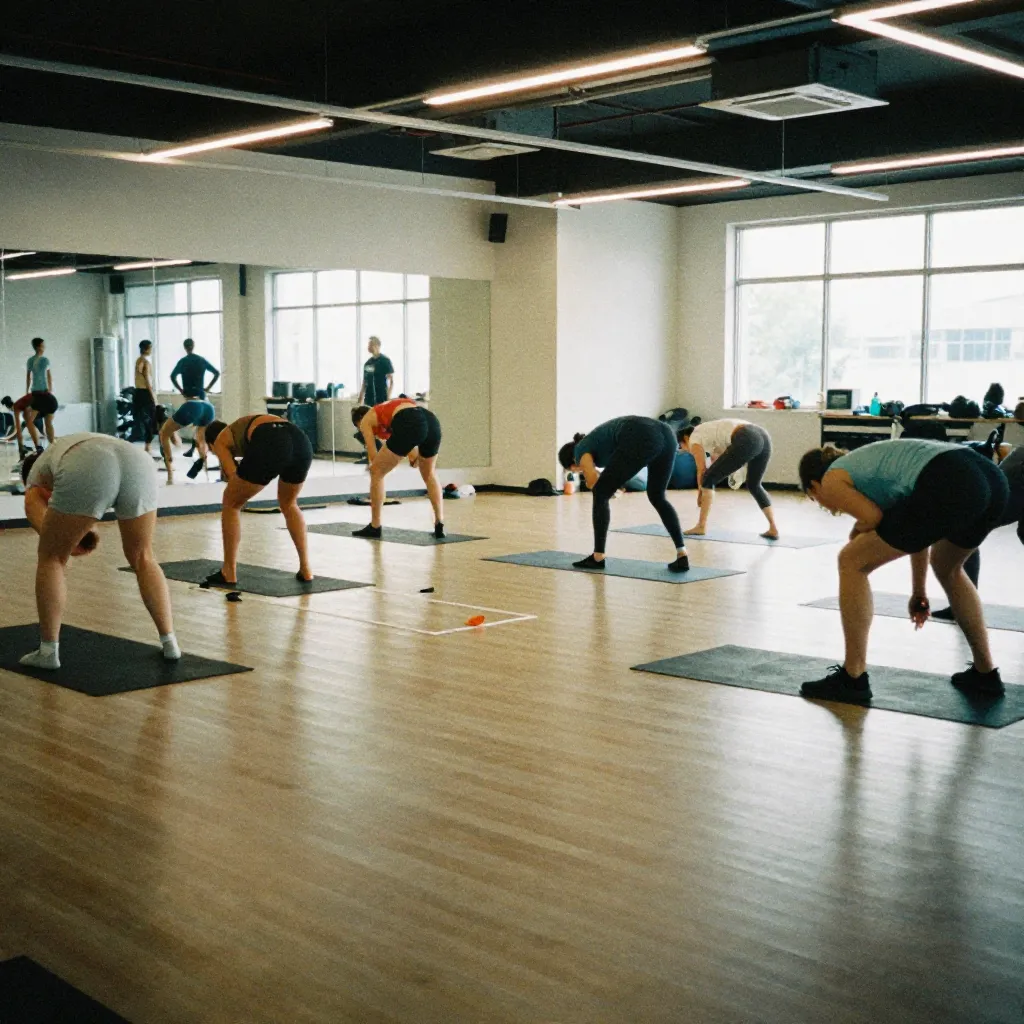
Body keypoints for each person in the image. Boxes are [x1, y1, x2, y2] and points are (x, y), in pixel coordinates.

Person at [798, 438, 1009, 703]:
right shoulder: (875, 470)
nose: (825, 505)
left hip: (953, 477)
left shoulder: (831, 479)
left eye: (814, 497)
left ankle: (852, 678)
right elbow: (915, 531)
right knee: (948, 567)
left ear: (814, 484)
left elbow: (872, 519)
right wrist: (919, 592)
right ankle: (985, 673)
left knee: (851, 561)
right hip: (991, 479)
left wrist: (856, 533)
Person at [17, 433, 180, 670]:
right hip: (138, 461)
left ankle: (48, 652)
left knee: (51, 558)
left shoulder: (35, 479)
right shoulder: (64, 448)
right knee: (143, 557)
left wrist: (67, 546)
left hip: (89, 461)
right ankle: (170, 643)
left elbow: (49, 533)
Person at [557, 416, 690, 572]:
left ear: (572, 462)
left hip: (642, 434)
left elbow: (592, 479)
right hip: (667, 435)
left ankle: (597, 557)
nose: (577, 471)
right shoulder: (596, 442)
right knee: (657, 496)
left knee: (600, 493)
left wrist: (596, 484)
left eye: (574, 470)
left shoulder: (580, 449)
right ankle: (682, 554)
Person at [204, 414, 314, 585]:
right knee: (289, 503)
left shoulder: (219, 441)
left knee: (231, 503)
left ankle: (228, 571)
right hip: (300, 440)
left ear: (210, 444)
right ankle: (306, 569)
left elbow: (233, 479)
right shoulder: (239, 429)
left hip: (273, 439)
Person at [931, 439, 1024, 620]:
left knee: (965, 531)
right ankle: (962, 604)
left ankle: (962, 605)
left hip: (1014, 484)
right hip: (1011, 481)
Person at [350, 398, 444, 539]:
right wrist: (414, 459)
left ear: (359, 421)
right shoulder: (388, 414)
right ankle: (439, 524)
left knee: (376, 472)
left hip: (412, 421)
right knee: (429, 474)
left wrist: (377, 468)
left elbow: (373, 455)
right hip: (431, 421)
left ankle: (375, 526)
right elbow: (409, 447)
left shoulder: (366, 421)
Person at [679, 418, 778, 539]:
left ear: (685, 438)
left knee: (708, 478)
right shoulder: (707, 432)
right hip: (762, 435)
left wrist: (700, 493)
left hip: (747, 436)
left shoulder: (694, 438)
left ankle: (701, 526)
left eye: (682, 447)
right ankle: (773, 528)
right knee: (754, 484)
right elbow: (720, 460)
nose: (685, 450)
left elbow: (702, 470)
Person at [355, 337, 394, 465]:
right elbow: (365, 383)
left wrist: (388, 399)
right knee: (366, 426)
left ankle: (384, 454)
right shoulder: (367, 364)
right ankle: (369, 453)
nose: (368, 346)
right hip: (369, 399)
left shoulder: (385, 361)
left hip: (381, 399)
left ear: (377, 345)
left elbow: (391, 381)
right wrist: (360, 399)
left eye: (370, 344)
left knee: (382, 427)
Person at [159, 398, 215, 484]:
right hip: (209, 409)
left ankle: (170, 475)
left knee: (163, 433)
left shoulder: (188, 404)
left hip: (192, 407)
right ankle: (206, 475)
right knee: (201, 442)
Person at [23, 337, 57, 450]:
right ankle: (40, 446)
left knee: (47, 422)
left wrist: (50, 390)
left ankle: (49, 446)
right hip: (38, 395)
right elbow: (30, 377)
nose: (44, 347)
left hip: (42, 394)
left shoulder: (41, 360)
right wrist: (27, 391)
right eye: (43, 345)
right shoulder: (36, 360)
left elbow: (49, 377)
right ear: (38, 347)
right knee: (32, 421)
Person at [133, 340, 157, 453]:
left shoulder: (138, 360)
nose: (151, 350)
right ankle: (148, 446)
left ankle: (145, 445)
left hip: (137, 393)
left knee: (140, 419)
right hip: (145, 393)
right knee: (151, 420)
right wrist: (153, 397)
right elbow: (147, 381)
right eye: (151, 348)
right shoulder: (145, 362)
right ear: (147, 349)